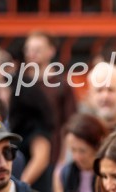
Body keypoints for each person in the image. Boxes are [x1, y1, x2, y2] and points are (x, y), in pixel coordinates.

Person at [23, 31, 77, 166]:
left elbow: (69, 124)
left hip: (52, 157)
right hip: (21, 154)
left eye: (37, 50)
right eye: (29, 49)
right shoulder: (19, 81)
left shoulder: (61, 84)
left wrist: (64, 158)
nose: (32, 53)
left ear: (51, 51)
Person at [53, 113, 109, 192]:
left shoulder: (108, 174)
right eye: (73, 150)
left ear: (98, 147)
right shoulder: (64, 173)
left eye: (82, 151)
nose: (76, 157)